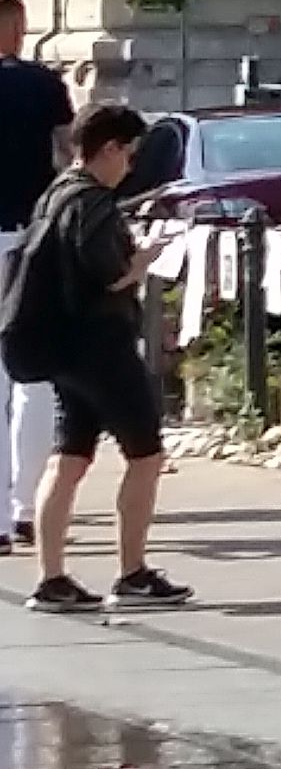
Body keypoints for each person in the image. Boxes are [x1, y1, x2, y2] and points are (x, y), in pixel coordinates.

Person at [11, 103, 188, 610]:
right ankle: (132, 571)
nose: (130, 166)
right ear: (108, 148)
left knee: (70, 456)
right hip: (100, 344)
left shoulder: (56, 193)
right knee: (146, 454)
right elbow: (108, 273)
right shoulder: (94, 202)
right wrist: (144, 261)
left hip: (62, 345)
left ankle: (52, 577)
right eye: (128, 155)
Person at [0, 0, 73, 557]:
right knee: (34, 377)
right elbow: (66, 157)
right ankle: (27, 506)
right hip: (29, 237)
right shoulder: (44, 86)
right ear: (19, 29)